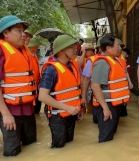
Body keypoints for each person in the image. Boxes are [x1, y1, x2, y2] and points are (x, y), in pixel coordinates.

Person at [0, 15, 37, 156]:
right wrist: (5, 115)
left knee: (32, 143)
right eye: (18, 30)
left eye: (23, 31)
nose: (23, 35)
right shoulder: (1, 50)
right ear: (5, 33)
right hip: (9, 110)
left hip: (26, 108)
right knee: (12, 151)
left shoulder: (24, 51)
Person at [38, 35, 84, 148]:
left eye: (76, 46)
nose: (76, 49)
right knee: (58, 148)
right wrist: (66, 107)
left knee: (69, 145)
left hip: (72, 113)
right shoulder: (51, 69)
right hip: (57, 116)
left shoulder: (72, 65)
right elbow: (42, 96)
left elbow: (76, 90)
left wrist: (80, 108)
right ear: (62, 50)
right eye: (71, 47)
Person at [91, 34, 130, 142]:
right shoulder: (102, 63)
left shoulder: (115, 60)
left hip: (115, 104)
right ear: (108, 48)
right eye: (117, 45)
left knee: (111, 135)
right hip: (107, 105)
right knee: (106, 138)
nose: (120, 48)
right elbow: (95, 86)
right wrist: (106, 109)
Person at [26, 34, 43, 114]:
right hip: (30, 86)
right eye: (37, 45)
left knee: (37, 107)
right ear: (32, 46)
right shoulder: (27, 55)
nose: (38, 47)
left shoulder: (34, 55)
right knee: (32, 108)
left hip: (36, 85)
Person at [120, 48, 132, 116]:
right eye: (122, 52)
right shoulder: (117, 61)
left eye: (124, 53)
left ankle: (123, 112)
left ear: (127, 55)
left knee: (125, 98)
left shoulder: (127, 64)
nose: (122, 53)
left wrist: (129, 82)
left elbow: (126, 73)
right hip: (118, 83)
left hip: (125, 82)